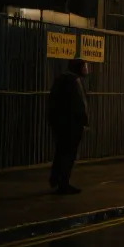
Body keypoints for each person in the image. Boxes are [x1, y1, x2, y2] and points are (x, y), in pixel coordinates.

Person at [47, 58, 90, 194]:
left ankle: (55, 179)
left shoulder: (61, 79)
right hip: (72, 125)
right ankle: (63, 183)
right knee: (69, 154)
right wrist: (84, 121)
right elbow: (79, 104)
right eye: (84, 66)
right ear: (78, 68)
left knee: (60, 152)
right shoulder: (74, 81)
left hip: (59, 123)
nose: (86, 69)